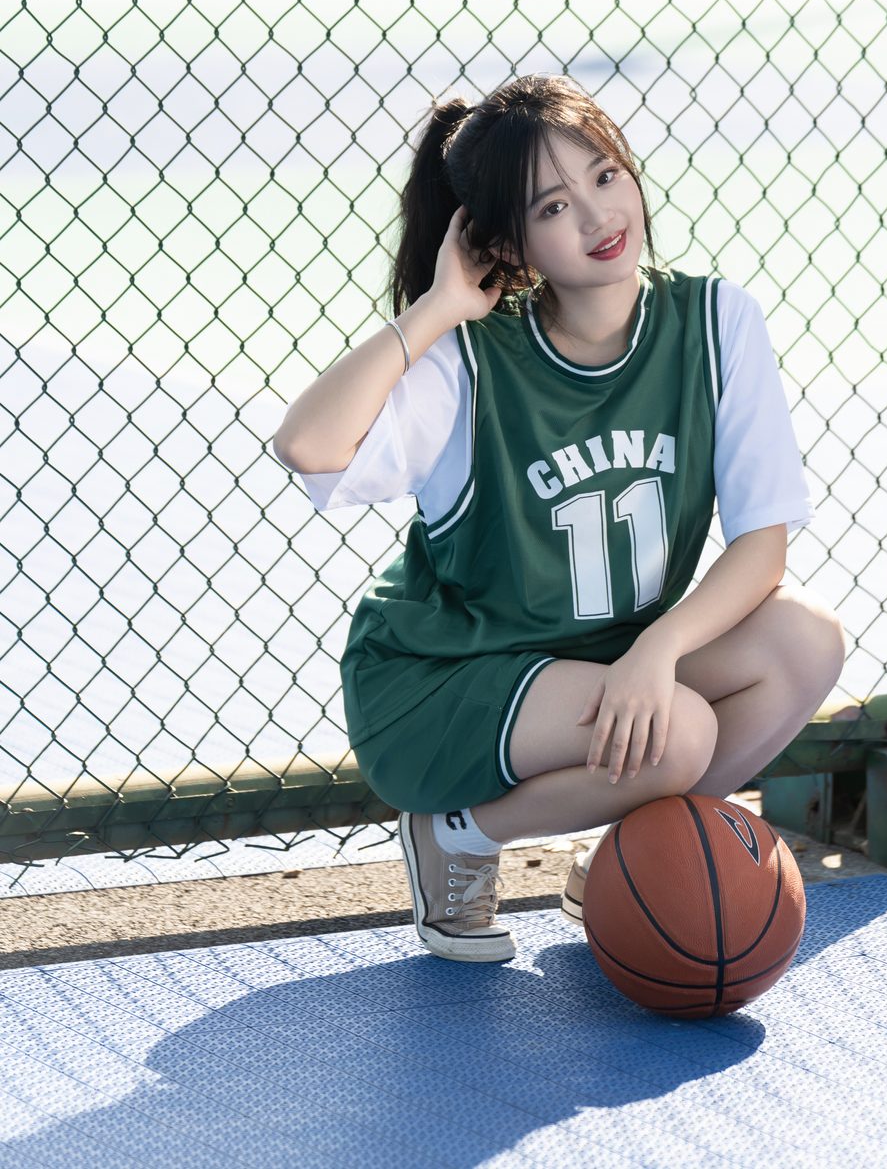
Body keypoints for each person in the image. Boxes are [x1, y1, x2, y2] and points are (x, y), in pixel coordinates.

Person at [273, 74, 846, 963]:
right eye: (552, 206)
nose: (597, 215)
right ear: (508, 242)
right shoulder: (475, 359)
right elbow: (308, 445)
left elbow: (761, 548)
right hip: (448, 681)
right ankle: (458, 835)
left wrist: (657, 651)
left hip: (608, 659)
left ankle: (620, 861)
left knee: (806, 640)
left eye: (606, 175)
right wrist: (438, 308)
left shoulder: (715, 322)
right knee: (679, 733)